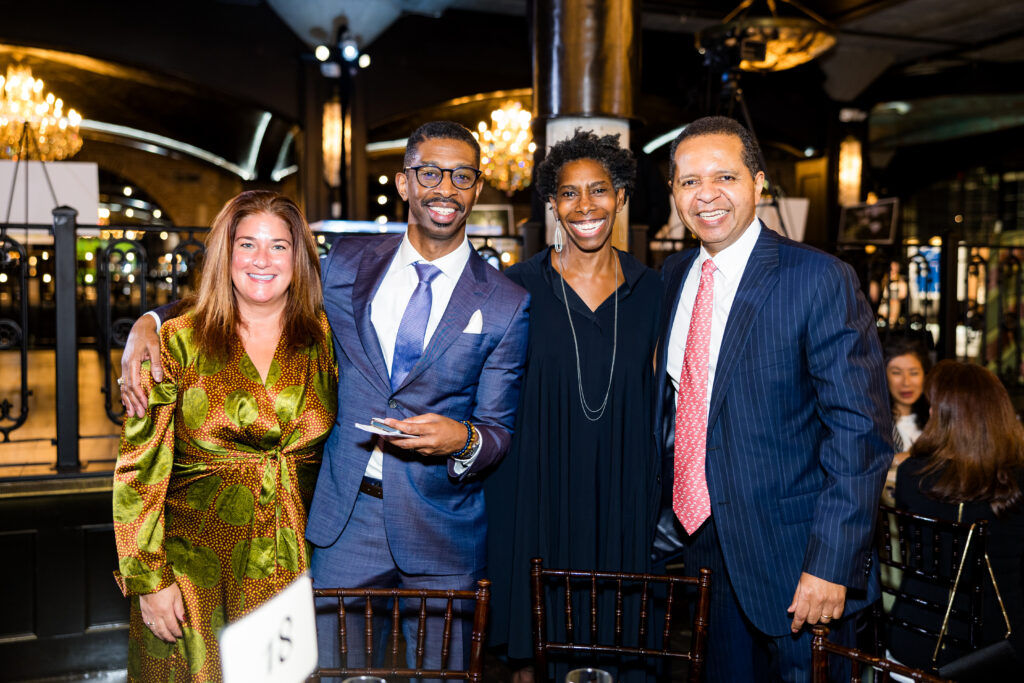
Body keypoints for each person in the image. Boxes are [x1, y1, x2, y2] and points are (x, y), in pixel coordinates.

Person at [121, 122, 529, 673]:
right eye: (430, 173)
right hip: (343, 523)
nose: (445, 188)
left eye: (461, 176)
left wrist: (465, 440)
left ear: (477, 187)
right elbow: (254, 288)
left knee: (444, 673)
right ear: (404, 183)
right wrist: (148, 322)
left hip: (441, 530)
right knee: (335, 672)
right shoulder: (348, 265)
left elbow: (498, 429)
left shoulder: (506, 301)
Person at [653, 116, 892, 681]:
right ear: (673, 193)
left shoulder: (818, 278)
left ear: (759, 183)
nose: (706, 195)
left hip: (798, 565)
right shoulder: (673, 276)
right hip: (704, 556)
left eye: (725, 177)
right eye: (689, 181)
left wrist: (832, 565)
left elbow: (860, 432)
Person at [112, 190, 337, 681]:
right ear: (225, 254)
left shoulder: (326, 338)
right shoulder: (175, 342)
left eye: (279, 246)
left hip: (293, 571)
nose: (262, 260)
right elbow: (139, 472)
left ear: (298, 258)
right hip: (190, 579)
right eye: (247, 244)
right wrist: (149, 580)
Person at [485, 130, 663, 682]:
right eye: (568, 193)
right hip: (537, 493)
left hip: (623, 497)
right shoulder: (514, 288)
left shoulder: (654, 291)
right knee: (534, 656)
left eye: (599, 190)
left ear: (621, 196)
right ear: (552, 204)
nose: (585, 206)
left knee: (621, 643)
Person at [889, 360, 1024, 674]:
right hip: (1000, 648)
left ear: (945, 416)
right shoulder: (1017, 482)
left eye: (934, 406)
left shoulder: (912, 476)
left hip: (916, 640)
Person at [882, 335, 930, 505]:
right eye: (896, 373)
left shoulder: (937, 419)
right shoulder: (875, 422)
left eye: (914, 373)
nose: (906, 382)